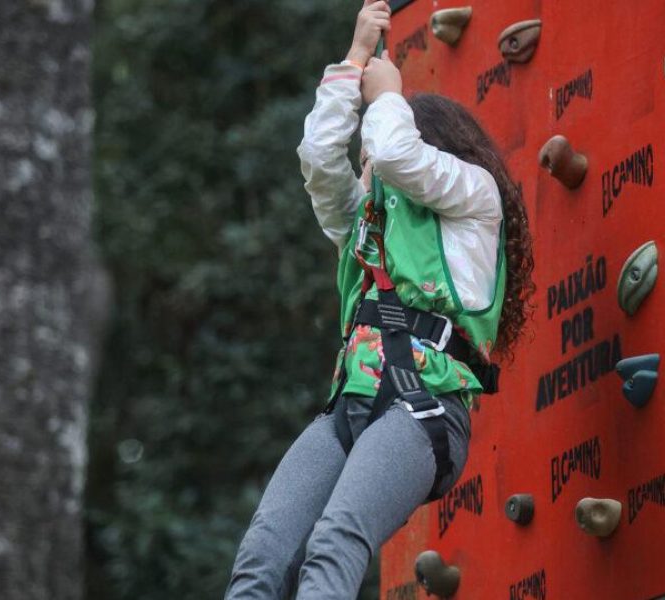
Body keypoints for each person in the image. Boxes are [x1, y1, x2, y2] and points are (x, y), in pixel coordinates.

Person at [224, 1, 534, 598]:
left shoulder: (473, 202)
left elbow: (396, 155)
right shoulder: (362, 230)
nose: (367, 166)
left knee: (335, 541)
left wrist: (388, 93)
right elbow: (318, 160)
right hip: (351, 407)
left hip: (425, 410)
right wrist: (356, 58)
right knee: (263, 554)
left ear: (430, 148)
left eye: (374, 154)